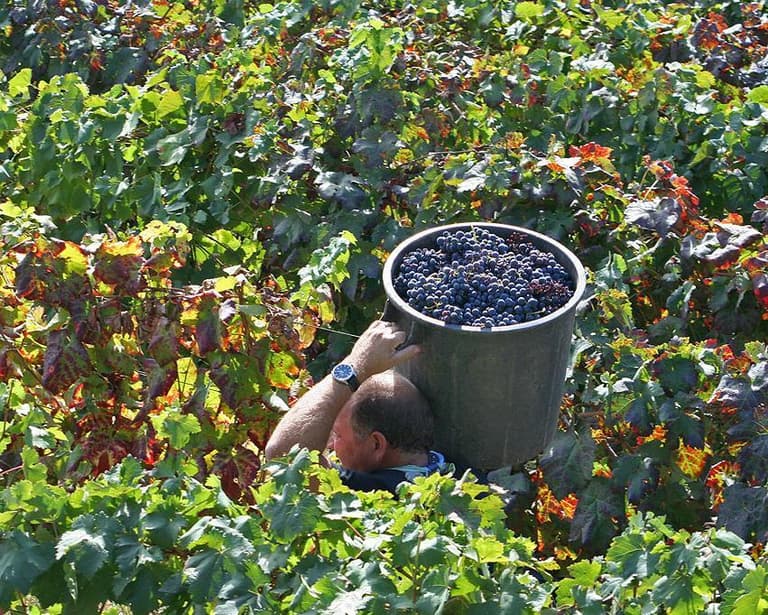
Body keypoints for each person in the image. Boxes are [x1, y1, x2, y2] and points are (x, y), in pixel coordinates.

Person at [265, 319, 450, 493]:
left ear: (376, 444)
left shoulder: (366, 494)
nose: (328, 444)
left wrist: (355, 365)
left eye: (337, 434)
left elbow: (283, 456)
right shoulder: (464, 480)